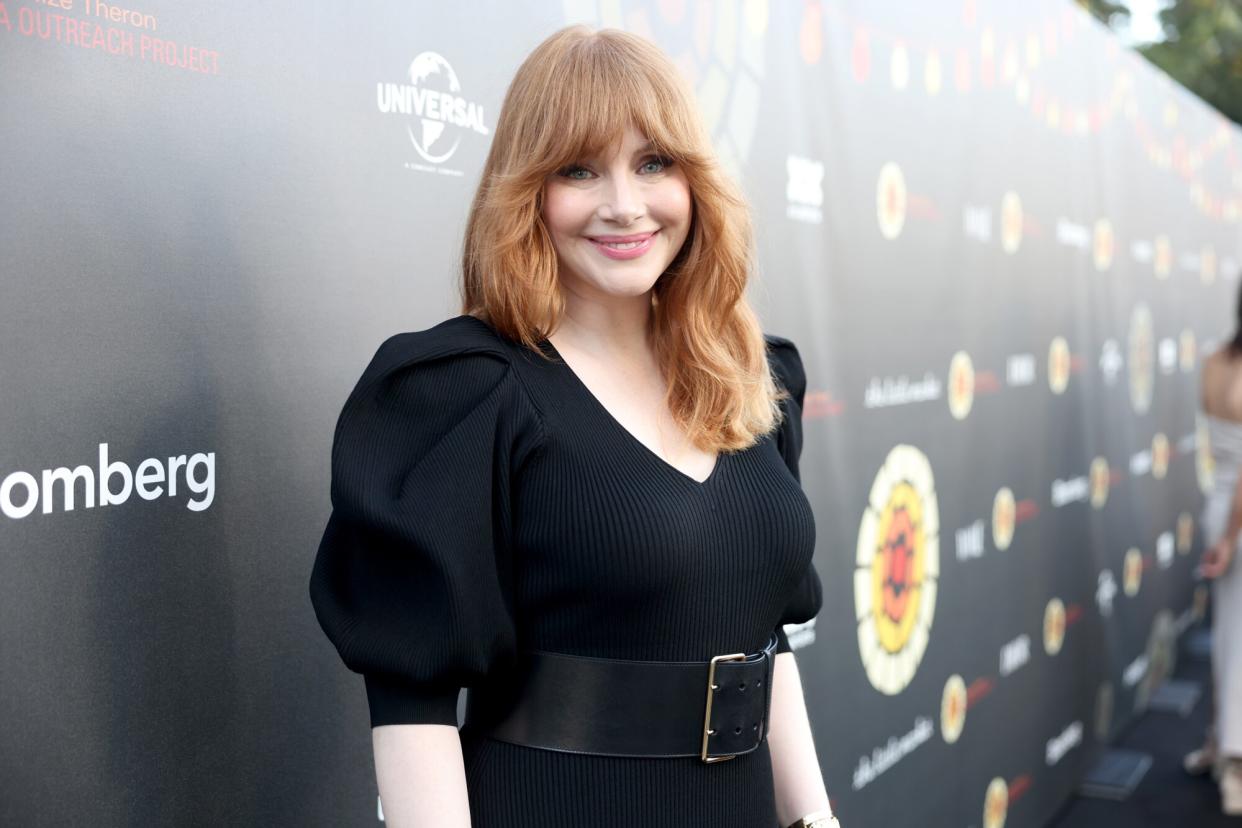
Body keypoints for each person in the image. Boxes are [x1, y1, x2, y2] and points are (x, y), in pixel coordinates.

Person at [309, 25, 837, 828]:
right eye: (580, 169)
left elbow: (767, 644)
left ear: (695, 181)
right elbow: (412, 701)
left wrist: (817, 823)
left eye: (653, 163)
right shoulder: (463, 396)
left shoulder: (752, 378)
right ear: (529, 191)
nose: (624, 204)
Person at [1186, 282, 1242, 816]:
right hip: (1238, 517)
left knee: (1228, 634)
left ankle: (1217, 739)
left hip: (1218, 503)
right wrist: (1230, 537)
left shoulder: (1212, 364)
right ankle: (1235, 763)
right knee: (1237, 640)